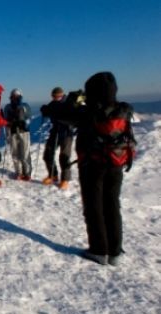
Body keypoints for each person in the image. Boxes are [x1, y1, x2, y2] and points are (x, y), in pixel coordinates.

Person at [45, 72, 136, 266]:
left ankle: (98, 250)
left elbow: (62, 115)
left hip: (92, 165)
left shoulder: (89, 112)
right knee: (112, 204)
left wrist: (71, 100)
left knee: (94, 206)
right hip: (116, 163)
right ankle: (115, 252)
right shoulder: (123, 110)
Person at [40, 87, 75, 189]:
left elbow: (71, 119)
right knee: (48, 154)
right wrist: (45, 110)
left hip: (66, 133)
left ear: (61, 95)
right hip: (55, 132)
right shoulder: (53, 104)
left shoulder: (69, 104)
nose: (54, 98)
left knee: (64, 156)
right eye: (53, 96)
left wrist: (58, 116)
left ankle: (65, 179)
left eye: (56, 96)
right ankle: (53, 175)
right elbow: (48, 112)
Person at [3, 88, 33, 180]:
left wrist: (25, 123)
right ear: (11, 96)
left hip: (24, 131)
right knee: (15, 153)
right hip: (13, 132)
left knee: (25, 153)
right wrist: (7, 128)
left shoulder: (25, 106)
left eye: (17, 95)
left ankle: (27, 173)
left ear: (20, 96)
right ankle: (19, 172)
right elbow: (5, 119)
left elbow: (29, 117)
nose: (15, 97)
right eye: (13, 95)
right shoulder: (8, 107)